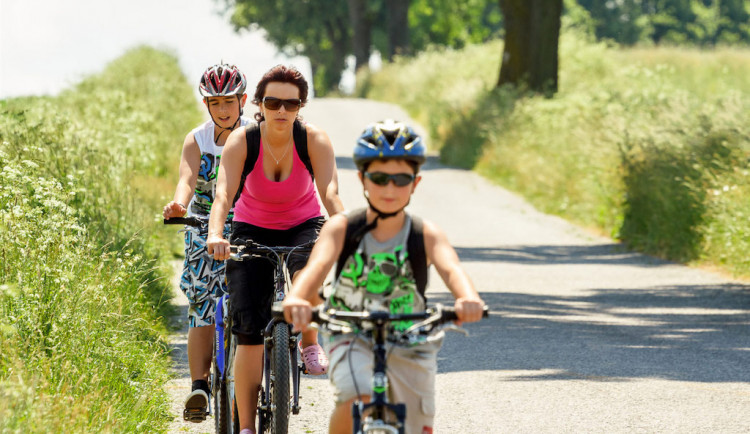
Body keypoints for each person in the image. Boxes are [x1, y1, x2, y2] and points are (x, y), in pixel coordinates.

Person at [281, 119, 486, 434]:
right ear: (362, 179)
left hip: (411, 336)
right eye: (379, 178)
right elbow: (316, 269)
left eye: (401, 179)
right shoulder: (342, 228)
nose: (390, 188)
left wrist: (467, 298)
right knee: (354, 396)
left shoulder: (424, 233)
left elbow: (451, 268)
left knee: (420, 425)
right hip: (350, 332)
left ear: (415, 183)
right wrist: (296, 298)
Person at [206, 64, 345, 434]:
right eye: (273, 102)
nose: (281, 111)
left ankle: (310, 342)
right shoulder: (243, 141)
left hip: (303, 224)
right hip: (251, 227)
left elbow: (330, 193)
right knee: (249, 330)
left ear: (301, 106)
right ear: (259, 103)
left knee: (310, 268)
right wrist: (216, 233)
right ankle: (248, 427)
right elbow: (223, 194)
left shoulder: (312, 139)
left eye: (291, 103)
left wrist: (343, 225)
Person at [162, 62, 251, 420]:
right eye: (215, 103)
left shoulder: (254, 134)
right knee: (200, 304)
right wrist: (178, 204)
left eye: (229, 101)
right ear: (207, 105)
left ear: (243, 100)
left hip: (249, 220)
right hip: (202, 223)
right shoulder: (197, 139)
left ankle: (271, 353)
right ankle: (199, 386)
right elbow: (186, 179)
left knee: (260, 294)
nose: (223, 109)